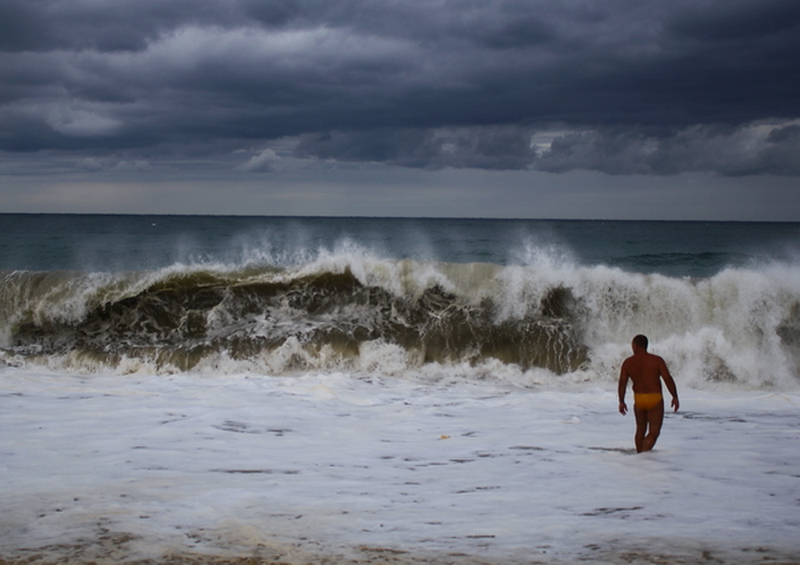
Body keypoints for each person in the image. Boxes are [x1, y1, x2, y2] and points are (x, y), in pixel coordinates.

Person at [618, 335, 679, 453]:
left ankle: (639, 456)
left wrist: (621, 401)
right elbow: (667, 378)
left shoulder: (628, 363)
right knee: (654, 432)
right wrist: (674, 396)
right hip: (654, 398)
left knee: (640, 430)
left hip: (639, 399)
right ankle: (642, 458)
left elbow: (622, 383)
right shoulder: (657, 360)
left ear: (634, 346)